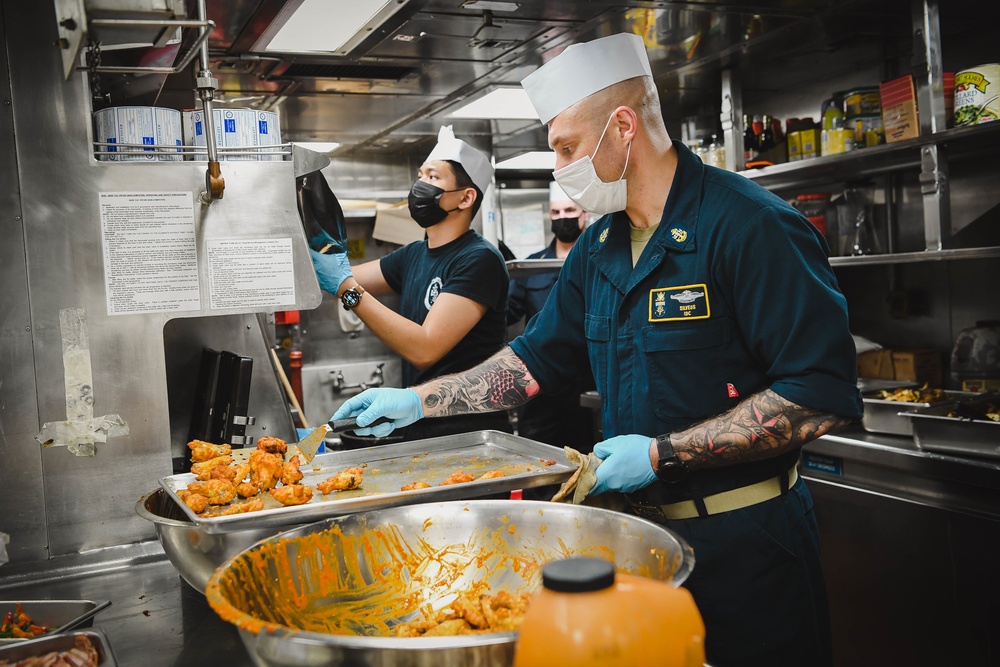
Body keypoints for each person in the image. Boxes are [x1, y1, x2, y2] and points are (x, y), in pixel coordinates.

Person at [332, 33, 862, 666]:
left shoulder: (751, 226)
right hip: (636, 541)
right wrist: (420, 403)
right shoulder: (599, 246)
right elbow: (534, 362)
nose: (559, 168)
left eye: (566, 148)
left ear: (623, 127)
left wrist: (664, 454)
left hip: (746, 549)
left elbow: (818, 395)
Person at [310, 126, 510, 440]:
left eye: (433, 177)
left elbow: (424, 348)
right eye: (420, 175)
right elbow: (338, 276)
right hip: (420, 426)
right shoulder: (414, 254)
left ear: (466, 197)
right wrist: (311, 253)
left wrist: (346, 288)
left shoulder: (478, 259)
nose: (420, 185)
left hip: (468, 434)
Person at [506, 182, 594, 451]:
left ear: (585, 214)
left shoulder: (597, 260)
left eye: (569, 210)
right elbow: (507, 312)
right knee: (538, 458)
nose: (562, 218)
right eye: (556, 212)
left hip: (587, 384)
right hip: (541, 384)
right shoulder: (533, 265)